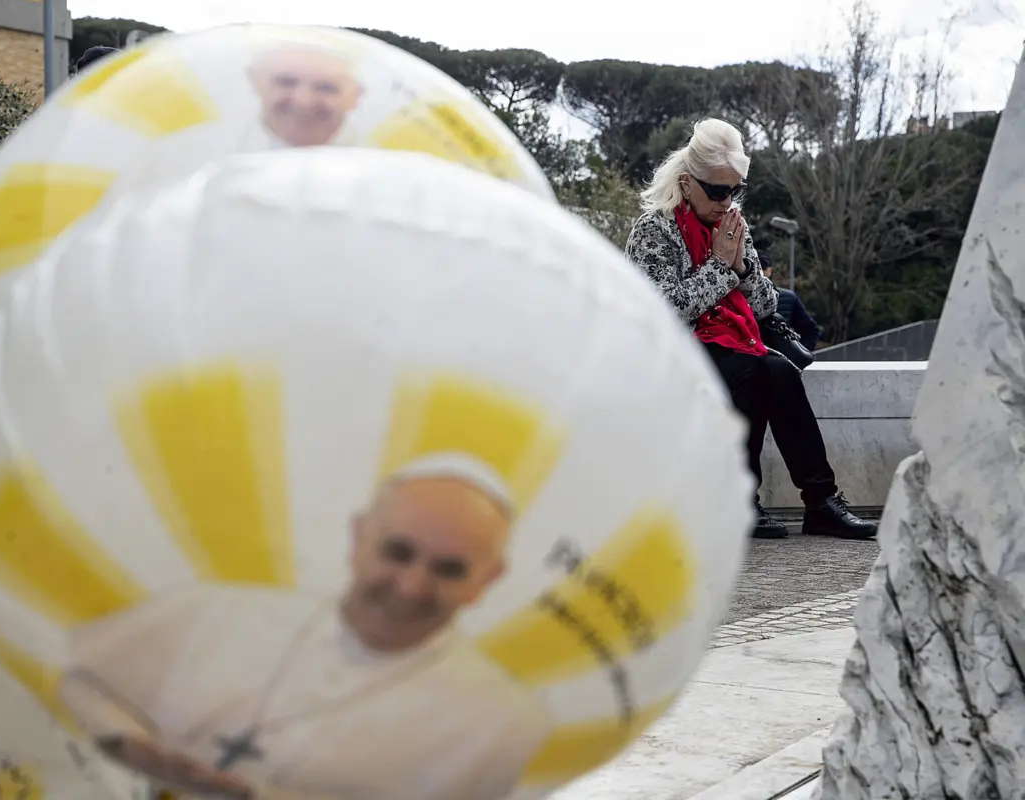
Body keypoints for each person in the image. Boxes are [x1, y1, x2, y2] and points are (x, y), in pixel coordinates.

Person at [59, 454, 553, 799]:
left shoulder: (507, 724)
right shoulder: (210, 610)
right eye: (397, 552)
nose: (410, 587)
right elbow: (72, 682)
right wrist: (125, 741)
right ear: (359, 539)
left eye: (450, 569)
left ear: (488, 580)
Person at [625, 119, 876, 541]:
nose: (726, 201)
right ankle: (738, 501)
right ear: (687, 183)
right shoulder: (654, 229)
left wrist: (741, 266)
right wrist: (721, 267)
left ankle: (821, 501)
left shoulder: (732, 225)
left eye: (734, 190)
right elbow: (663, 311)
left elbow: (765, 306)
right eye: (716, 191)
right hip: (670, 352)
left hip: (730, 345)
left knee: (779, 372)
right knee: (751, 370)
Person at [245, 43, 364, 148]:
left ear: (355, 96)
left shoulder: (373, 157)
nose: (304, 102)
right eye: (286, 82)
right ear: (256, 81)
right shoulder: (234, 152)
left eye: (326, 87)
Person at [759, 252, 821, 351]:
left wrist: (798, 354)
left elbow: (811, 331)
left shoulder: (787, 298)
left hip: (780, 357)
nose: (757, 273)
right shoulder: (737, 298)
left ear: (769, 270)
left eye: (761, 268)